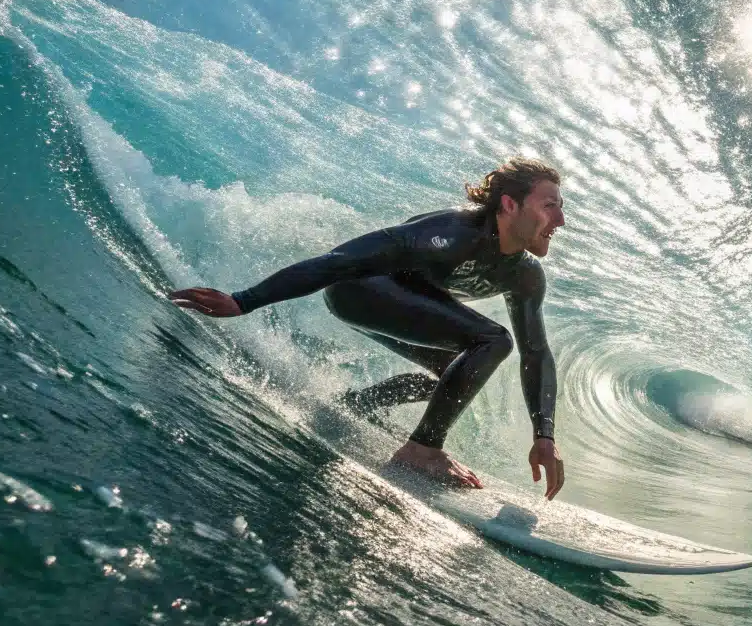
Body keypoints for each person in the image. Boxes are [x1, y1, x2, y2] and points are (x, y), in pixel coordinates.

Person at [167, 158, 567, 498]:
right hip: (358, 290)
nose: (560, 220)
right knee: (493, 340)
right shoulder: (449, 235)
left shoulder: (524, 276)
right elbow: (340, 261)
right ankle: (422, 450)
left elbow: (536, 352)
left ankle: (354, 405)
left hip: (408, 303)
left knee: (456, 376)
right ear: (509, 205)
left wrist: (544, 436)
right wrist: (245, 299)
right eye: (550, 206)